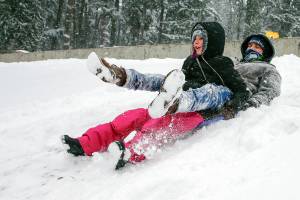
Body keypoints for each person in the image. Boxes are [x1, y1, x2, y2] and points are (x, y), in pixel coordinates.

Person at [62, 22, 252, 169]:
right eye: (194, 37)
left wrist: (232, 107)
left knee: (157, 127)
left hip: (200, 111)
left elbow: (243, 91)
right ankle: (120, 78)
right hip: (172, 105)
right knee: (131, 117)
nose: (196, 42)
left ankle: (129, 152)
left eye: (202, 38)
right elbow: (176, 82)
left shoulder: (223, 64)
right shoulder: (190, 62)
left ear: (213, 42)